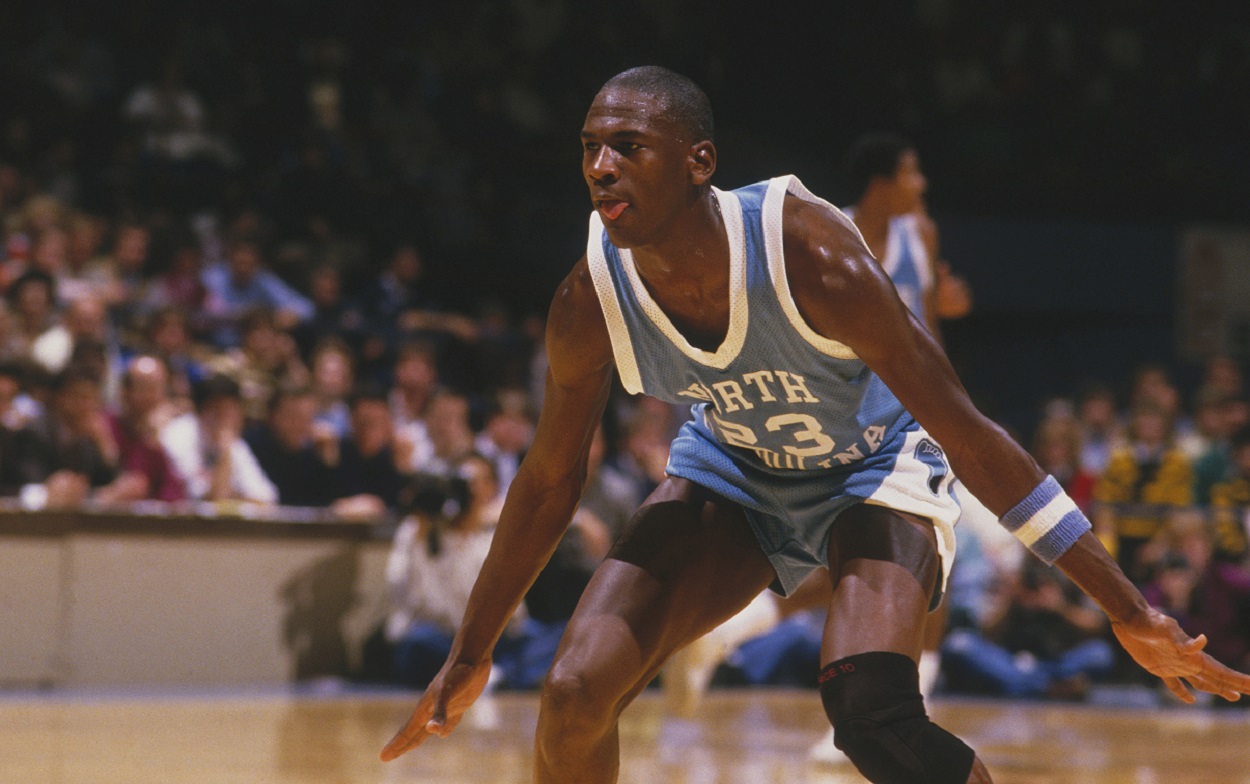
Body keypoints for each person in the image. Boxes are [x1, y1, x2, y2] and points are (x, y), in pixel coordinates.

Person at [380, 67, 1250, 784]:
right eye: (590, 148)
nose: (601, 166)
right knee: (572, 692)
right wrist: (470, 650)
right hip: (735, 471)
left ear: (697, 161)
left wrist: (1129, 610)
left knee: (868, 709)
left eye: (628, 147)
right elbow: (547, 480)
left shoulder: (812, 255)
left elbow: (967, 429)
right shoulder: (589, 296)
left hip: (877, 469)